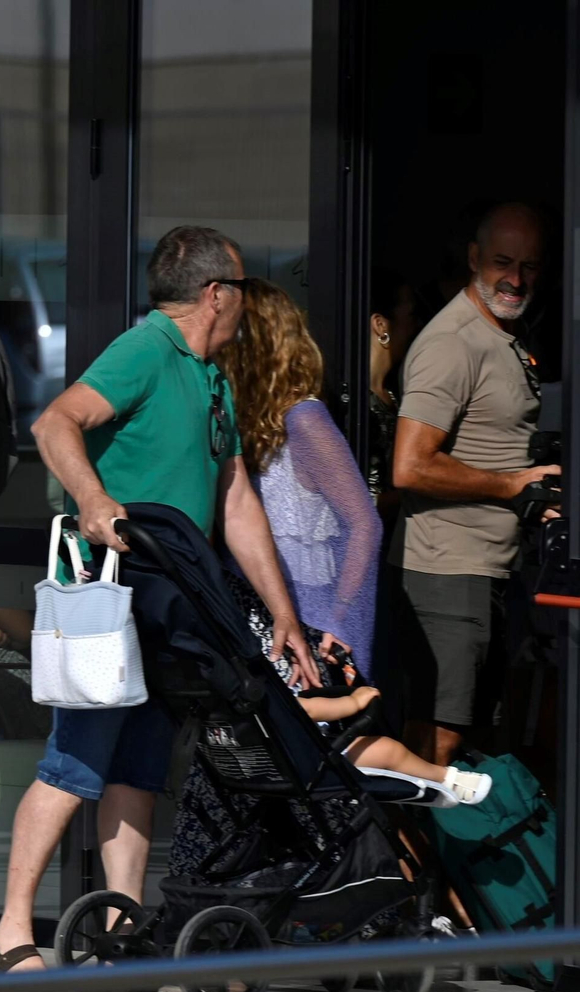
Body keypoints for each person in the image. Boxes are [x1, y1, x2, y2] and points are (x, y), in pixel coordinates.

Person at [0, 226, 318, 988]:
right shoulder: (145, 350)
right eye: (241, 290)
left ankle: (120, 937)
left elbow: (235, 501)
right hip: (112, 594)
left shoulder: (213, 377)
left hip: (173, 603)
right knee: (76, 761)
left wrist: (282, 614)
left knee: (136, 768)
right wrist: (94, 498)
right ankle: (7, 931)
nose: (246, 306)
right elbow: (53, 421)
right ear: (215, 295)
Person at [391, 202, 557, 765]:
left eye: (529, 266)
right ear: (473, 259)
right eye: (502, 263)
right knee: (432, 751)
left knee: (466, 751)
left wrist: (533, 494)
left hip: (487, 571)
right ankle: (399, 858)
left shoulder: (502, 335)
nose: (515, 279)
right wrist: (511, 486)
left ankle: (438, 857)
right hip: (446, 571)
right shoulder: (450, 342)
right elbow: (410, 467)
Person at [213, 281, 383, 673]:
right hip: (252, 613)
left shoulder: (304, 420)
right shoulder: (243, 419)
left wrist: (339, 621)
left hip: (309, 617)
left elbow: (364, 525)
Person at [294, 688, 492, 804]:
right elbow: (305, 709)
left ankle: (432, 782)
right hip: (308, 759)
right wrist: (352, 702)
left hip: (290, 761)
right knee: (387, 750)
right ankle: (444, 779)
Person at [365, 266, 421, 520]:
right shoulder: (355, 404)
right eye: (410, 315)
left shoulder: (392, 393)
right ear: (381, 325)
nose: (415, 327)